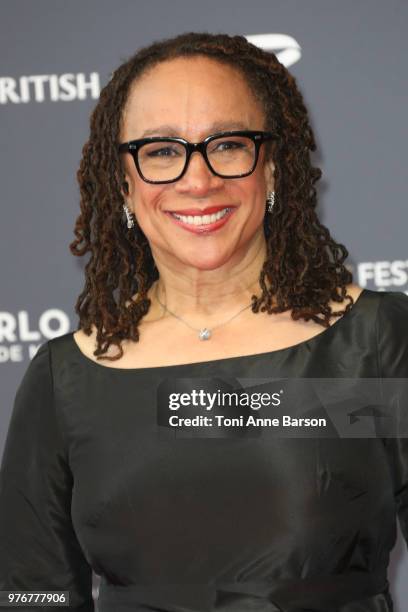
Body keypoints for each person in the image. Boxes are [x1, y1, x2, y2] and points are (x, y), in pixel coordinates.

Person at [1, 31, 407, 612]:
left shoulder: (372, 345)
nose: (198, 180)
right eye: (162, 150)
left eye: (228, 144)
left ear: (271, 168)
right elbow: (29, 592)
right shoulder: (65, 381)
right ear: (123, 181)